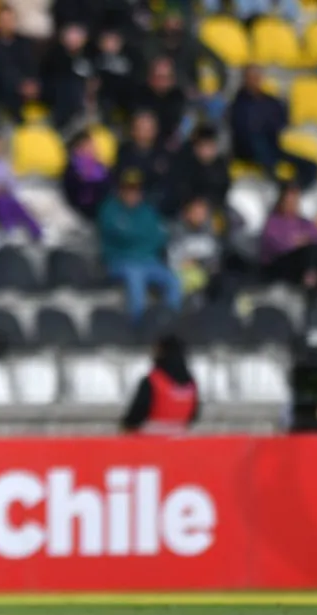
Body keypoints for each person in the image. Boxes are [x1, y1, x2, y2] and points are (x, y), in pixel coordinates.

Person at [97, 170, 183, 323]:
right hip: (119, 261)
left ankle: (170, 320)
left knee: (173, 280)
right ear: (120, 190)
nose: (132, 194)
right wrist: (138, 238)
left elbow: (158, 238)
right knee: (135, 275)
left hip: (149, 261)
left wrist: (135, 237)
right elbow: (120, 236)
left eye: (136, 190)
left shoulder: (147, 211)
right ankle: (138, 323)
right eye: (128, 189)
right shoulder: (110, 209)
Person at [121, 334, 198, 435]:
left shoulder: (153, 381)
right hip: (179, 438)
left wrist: (125, 425)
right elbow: (194, 414)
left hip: (150, 439)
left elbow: (136, 414)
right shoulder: (190, 384)